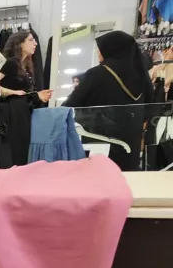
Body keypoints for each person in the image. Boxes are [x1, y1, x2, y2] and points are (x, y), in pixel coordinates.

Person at [64, 30, 154, 170]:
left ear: (112, 49)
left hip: (99, 141)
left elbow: (71, 104)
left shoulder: (97, 74)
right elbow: (149, 107)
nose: (98, 52)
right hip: (130, 143)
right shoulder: (141, 76)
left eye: (101, 48)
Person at [0, 30, 52, 105]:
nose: (35, 43)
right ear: (20, 44)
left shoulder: (26, 65)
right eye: (30, 40)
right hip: (10, 109)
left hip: (21, 109)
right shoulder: (10, 63)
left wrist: (38, 95)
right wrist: (13, 92)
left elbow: (23, 94)